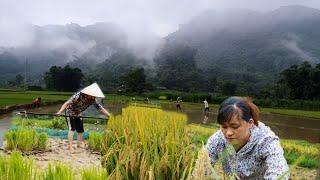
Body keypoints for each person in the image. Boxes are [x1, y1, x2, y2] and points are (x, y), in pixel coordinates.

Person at [206, 96, 289, 179]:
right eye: (224, 127)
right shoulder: (218, 140)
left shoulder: (266, 140)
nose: (228, 133)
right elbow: (203, 167)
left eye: (235, 127)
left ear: (250, 123)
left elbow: (280, 172)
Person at [56, 83, 111, 151]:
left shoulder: (93, 100)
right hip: (70, 112)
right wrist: (60, 112)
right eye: (93, 95)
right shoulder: (78, 96)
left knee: (81, 130)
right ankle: (70, 147)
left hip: (78, 113)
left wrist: (109, 115)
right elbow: (66, 103)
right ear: (89, 94)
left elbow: (100, 108)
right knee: (72, 129)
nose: (95, 97)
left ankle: (78, 145)